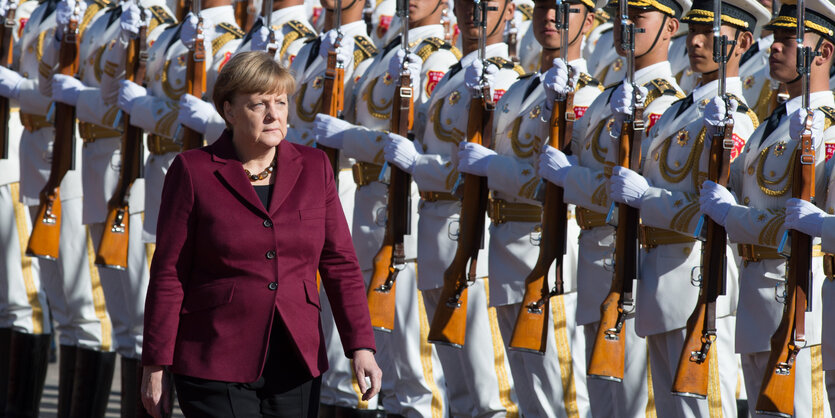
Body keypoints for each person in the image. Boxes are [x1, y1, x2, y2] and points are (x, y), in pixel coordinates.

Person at [140, 51, 382, 418]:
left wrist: (361, 346)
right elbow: (170, 272)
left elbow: (340, 263)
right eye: (259, 104)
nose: (274, 115)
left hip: (296, 359)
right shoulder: (194, 171)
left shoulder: (315, 168)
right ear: (230, 111)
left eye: (281, 103)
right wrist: (155, 363)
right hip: (215, 354)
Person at [605, 0, 766, 415]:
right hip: (658, 278)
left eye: (711, 34)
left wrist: (646, 199)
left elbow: (714, 209)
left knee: (704, 408)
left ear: (743, 42)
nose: (695, 41)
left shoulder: (737, 119)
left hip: (697, 279)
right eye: (693, 31)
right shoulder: (679, 111)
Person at [456, 0, 603, 415]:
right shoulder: (518, 90)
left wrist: (492, 167)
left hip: (549, 249)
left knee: (560, 392)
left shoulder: (590, 95)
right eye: (542, 6)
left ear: (589, 21)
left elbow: (560, 184)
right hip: (504, 248)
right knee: (527, 390)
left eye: (566, 9)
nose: (551, 17)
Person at [382, 0, 523, 414]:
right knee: (457, 386)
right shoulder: (450, 76)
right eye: (465, 4)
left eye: (488, 5)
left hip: (473, 237)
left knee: (490, 388)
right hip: (433, 230)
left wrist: (418, 164)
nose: (473, 12)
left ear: (509, 11)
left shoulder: (510, 81)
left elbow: (485, 170)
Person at [699, 0, 835, 414]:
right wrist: (714, 138)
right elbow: (730, 188)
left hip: (796, 297)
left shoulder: (828, 126)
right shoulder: (765, 126)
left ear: (824, 53)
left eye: (789, 39)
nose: (774, 47)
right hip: (756, 300)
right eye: (774, 38)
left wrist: (733, 217)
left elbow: (797, 222)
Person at [44, 1, 176, 415]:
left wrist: (78, 98)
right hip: (98, 168)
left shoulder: (162, 29)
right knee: (121, 321)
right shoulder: (103, 18)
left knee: (140, 317)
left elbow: (130, 105)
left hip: (133, 173)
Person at [0, 0, 52, 416]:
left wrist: (13, 85)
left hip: (16, 161)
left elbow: (53, 90)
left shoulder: (41, 12)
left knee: (22, 297)